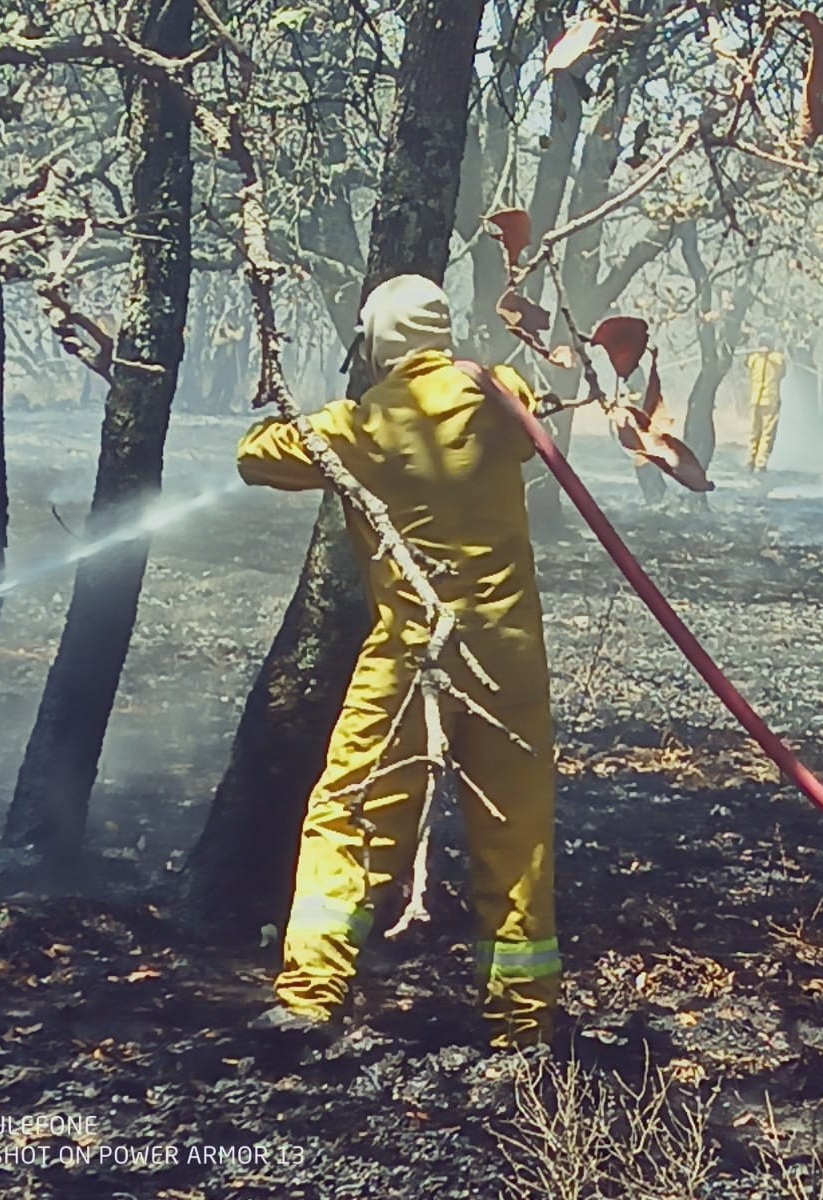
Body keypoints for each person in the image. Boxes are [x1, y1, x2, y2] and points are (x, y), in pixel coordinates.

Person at [236, 274, 559, 1050]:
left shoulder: (365, 423)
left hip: (414, 656)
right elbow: (531, 419)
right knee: (516, 831)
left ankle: (312, 995)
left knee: (349, 809)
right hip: (510, 657)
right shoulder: (500, 392)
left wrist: (291, 415)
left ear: (378, 341)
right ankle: (523, 1024)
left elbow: (257, 457)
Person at [745, 339, 787, 473]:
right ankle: (758, 463)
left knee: (757, 433)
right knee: (764, 433)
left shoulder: (757, 358)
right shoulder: (768, 359)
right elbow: (782, 368)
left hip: (758, 401)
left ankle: (753, 461)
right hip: (769, 401)